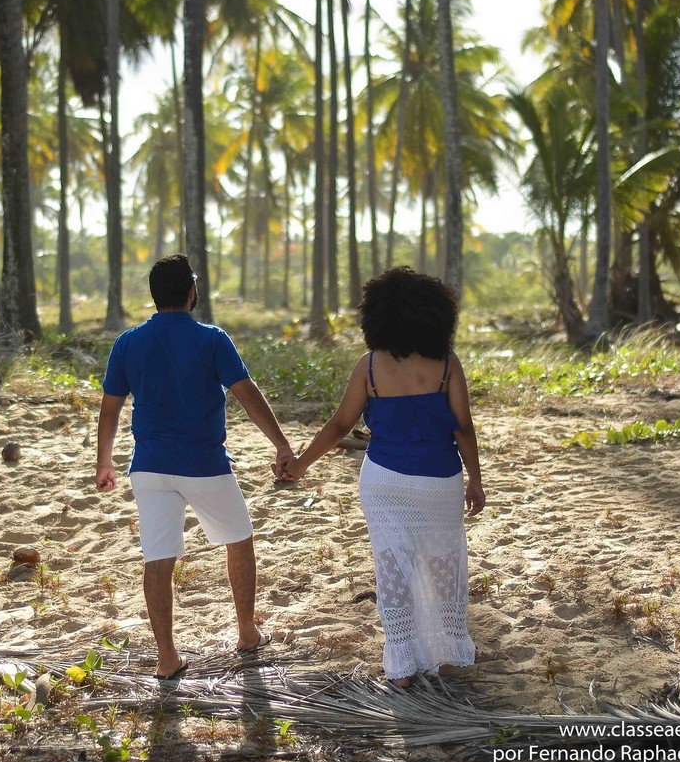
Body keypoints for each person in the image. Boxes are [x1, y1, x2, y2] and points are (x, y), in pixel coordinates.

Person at [284, 267, 485, 688]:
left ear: (377, 316)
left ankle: (402, 666)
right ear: (436, 315)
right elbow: (463, 428)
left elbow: (340, 426)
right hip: (440, 481)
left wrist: (301, 463)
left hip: (384, 481)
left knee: (392, 566)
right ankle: (448, 652)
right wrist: (475, 479)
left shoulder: (369, 367)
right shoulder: (447, 365)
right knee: (442, 563)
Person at [95, 254, 292, 680]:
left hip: (149, 467)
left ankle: (167, 657)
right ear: (191, 292)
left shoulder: (127, 342)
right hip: (204, 464)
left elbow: (110, 408)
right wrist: (281, 444)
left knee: (158, 558)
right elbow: (247, 394)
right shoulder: (212, 338)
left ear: (155, 295)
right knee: (239, 540)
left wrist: (104, 462)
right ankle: (246, 632)